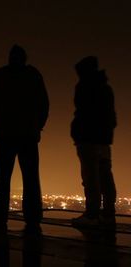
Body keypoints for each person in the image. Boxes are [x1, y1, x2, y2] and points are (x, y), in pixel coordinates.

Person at [0, 45, 49, 234]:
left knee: (4, 177)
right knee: (30, 177)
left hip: (6, 134)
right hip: (27, 135)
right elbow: (44, 104)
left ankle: (0, 215)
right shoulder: (33, 75)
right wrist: (37, 126)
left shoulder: (0, 75)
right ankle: (33, 216)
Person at [71, 56, 117, 228]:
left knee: (91, 177)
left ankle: (92, 215)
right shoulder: (106, 88)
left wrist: (78, 133)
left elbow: (82, 113)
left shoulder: (84, 87)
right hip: (104, 140)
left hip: (88, 139)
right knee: (105, 176)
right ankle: (108, 214)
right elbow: (111, 117)